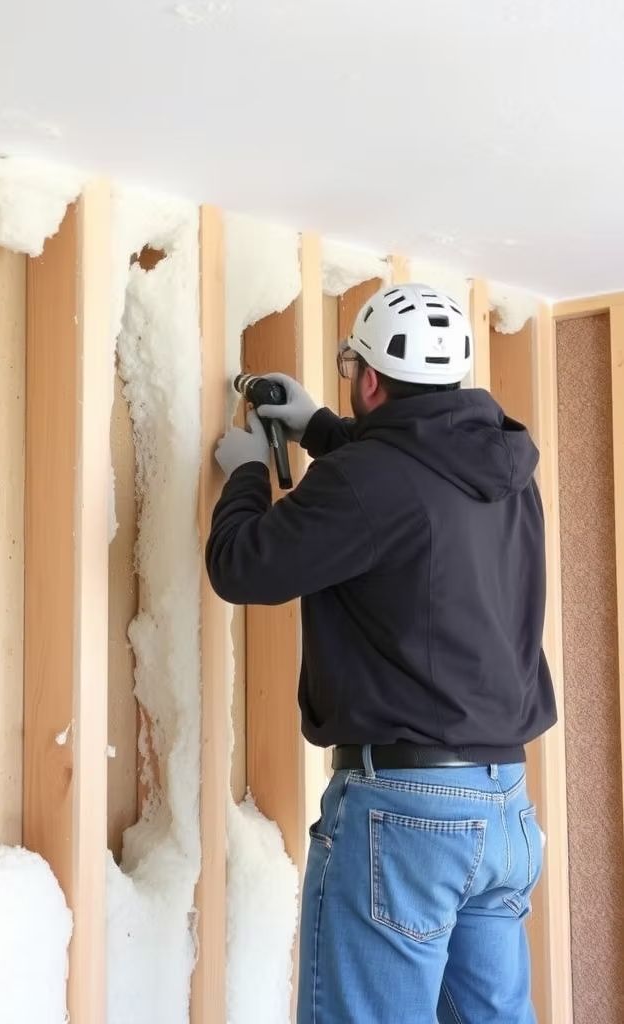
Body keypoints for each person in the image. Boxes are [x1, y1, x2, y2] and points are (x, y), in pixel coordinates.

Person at [206, 283, 556, 1024]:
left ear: (369, 379)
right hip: (504, 809)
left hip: (409, 819)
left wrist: (245, 473)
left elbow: (242, 566)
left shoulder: (368, 481)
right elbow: (412, 486)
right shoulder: (506, 469)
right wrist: (321, 429)